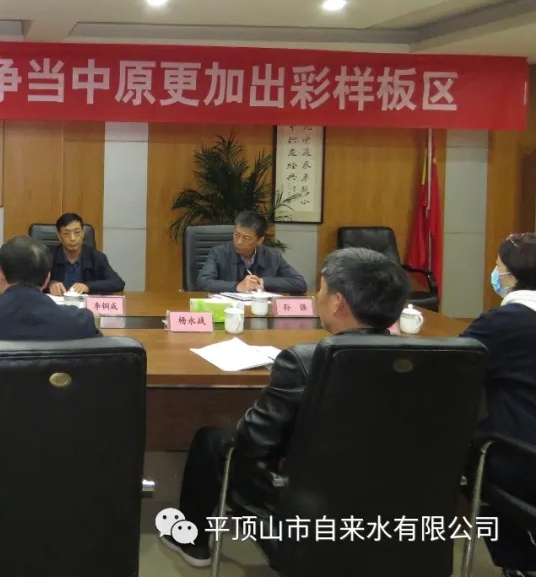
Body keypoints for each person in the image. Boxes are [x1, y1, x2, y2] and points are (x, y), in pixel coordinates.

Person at [167, 247, 408, 568]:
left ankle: (190, 538)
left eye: (322, 289)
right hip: (397, 492)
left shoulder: (304, 360)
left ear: (338, 303)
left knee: (211, 441)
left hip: (307, 495)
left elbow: (253, 442)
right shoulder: (426, 361)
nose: (316, 296)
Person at [462, 233, 536, 576]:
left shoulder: (503, 323)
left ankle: (521, 563)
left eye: (497, 266)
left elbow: (453, 366)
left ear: (511, 276)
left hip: (524, 460)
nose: (495, 272)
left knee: (469, 453)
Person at [0, 235, 101, 376]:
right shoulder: (80, 321)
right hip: (57, 397)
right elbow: (100, 365)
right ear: (47, 278)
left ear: (1, 275)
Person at [195, 211, 307, 294]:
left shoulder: (272, 256)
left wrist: (263, 282)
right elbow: (202, 283)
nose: (239, 242)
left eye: (246, 238)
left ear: (259, 240)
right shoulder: (218, 253)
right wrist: (237, 286)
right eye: (236, 235)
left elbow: (299, 283)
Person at [46, 213, 125, 296]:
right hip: (56, 303)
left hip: (86, 303)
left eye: (77, 232)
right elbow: (36, 282)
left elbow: (117, 282)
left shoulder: (96, 256)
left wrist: (88, 286)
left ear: (83, 233)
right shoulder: (48, 256)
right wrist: (50, 284)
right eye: (66, 234)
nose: (72, 238)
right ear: (59, 236)